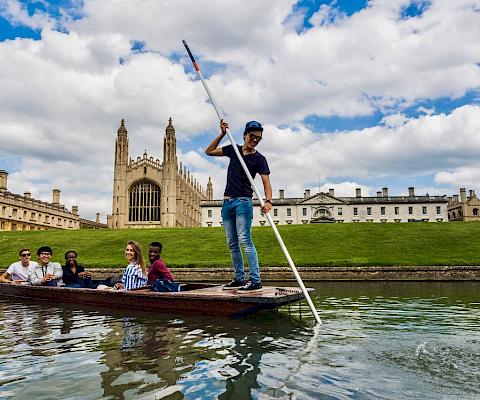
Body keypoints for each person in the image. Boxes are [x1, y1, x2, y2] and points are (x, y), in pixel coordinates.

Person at [205, 120, 272, 291]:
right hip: (227, 202)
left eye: (259, 138)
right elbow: (209, 151)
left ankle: (255, 280)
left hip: (243, 201)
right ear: (245, 135)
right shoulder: (233, 149)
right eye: (252, 136)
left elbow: (266, 182)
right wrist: (222, 133)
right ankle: (239, 278)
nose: (255, 140)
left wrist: (268, 201)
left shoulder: (259, 159)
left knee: (244, 239)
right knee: (232, 243)